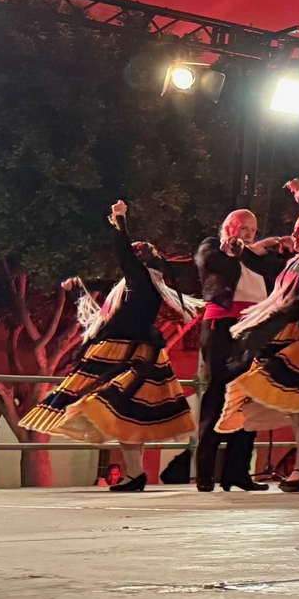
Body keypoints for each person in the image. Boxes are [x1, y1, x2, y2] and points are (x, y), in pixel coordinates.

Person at [21, 200, 200, 491]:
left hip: (125, 352)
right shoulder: (143, 283)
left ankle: (135, 474)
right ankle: (135, 474)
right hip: (139, 352)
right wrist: (80, 283)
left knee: (112, 407)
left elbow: (123, 255)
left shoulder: (140, 278)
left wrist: (119, 220)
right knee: (128, 417)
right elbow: (113, 294)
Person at [216, 178, 299, 492]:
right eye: (296, 230)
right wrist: (240, 250)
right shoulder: (293, 263)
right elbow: (259, 264)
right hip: (295, 334)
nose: (297, 234)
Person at [194, 208, 286, 492]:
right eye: (242, 227)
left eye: (252, 230)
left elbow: (275, 271)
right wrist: (242, 250)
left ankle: (238, 471)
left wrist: (263, 250)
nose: (247, 234)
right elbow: (214, 264)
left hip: (254, 326)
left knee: (251, 395)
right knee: (218, 391)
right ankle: (206, 471)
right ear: (227, 227)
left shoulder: (258, 256)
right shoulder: (212, 247)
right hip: (222, 325)